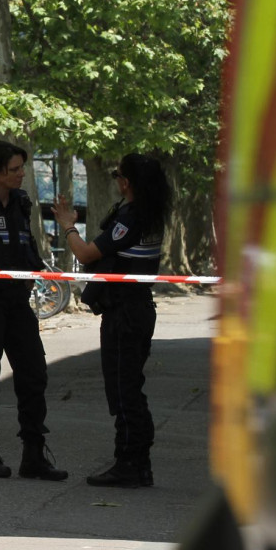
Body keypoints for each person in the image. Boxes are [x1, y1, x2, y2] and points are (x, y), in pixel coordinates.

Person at [53, 153, 171, 488]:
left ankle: (131, 462)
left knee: (125, 390)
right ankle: (134, 461)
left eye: (118, 174)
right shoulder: (148, 214)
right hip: (134, 309)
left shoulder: (132, 217)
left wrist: (67, 226)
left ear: (127, 182)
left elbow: (87, 254)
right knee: (126, 387)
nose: (116, 180)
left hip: (127, 312)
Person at [0, 141, 68, 481]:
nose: (21, 175)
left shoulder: (22, 202)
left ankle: (34, 453)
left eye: (22, 168)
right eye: (14, 170)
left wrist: (34, 270)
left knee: (33, 373)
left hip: (17, 298)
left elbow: (27, 241)